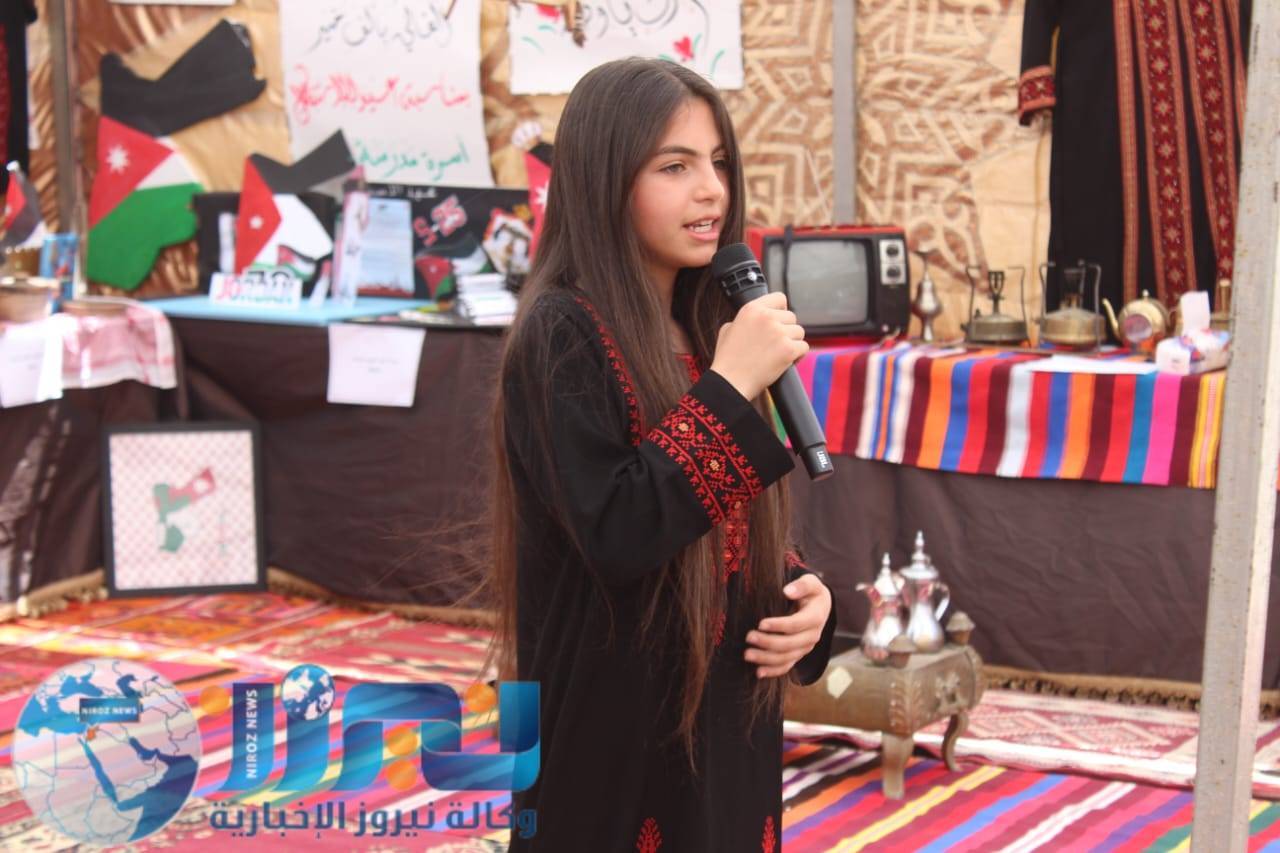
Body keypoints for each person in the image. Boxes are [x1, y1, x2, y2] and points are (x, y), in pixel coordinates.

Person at [489, 58, 837, 852]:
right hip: (616, 726)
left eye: (718, 162)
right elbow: (617, 529)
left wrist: (805, 598)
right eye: (674, 167)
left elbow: (720, 520)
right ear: (605, 180)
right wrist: (732, 383)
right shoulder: (561, 332)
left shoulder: (708, 323)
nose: (711, 190)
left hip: (728, 715)